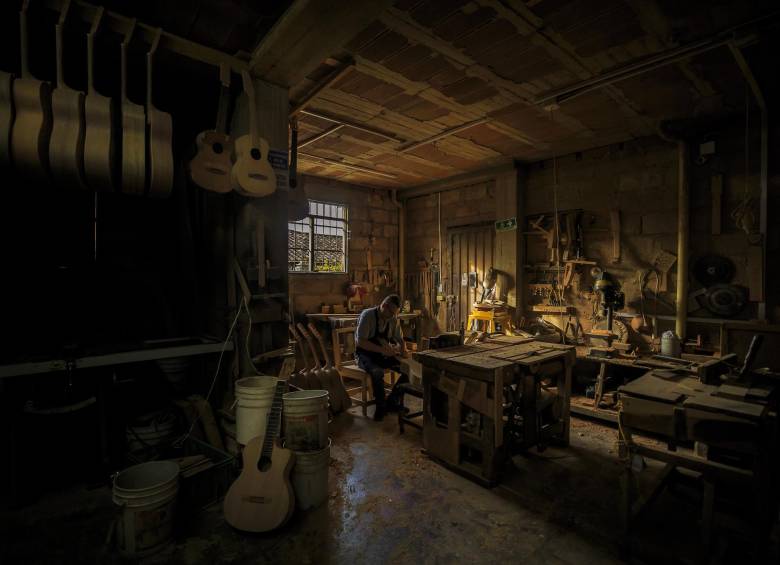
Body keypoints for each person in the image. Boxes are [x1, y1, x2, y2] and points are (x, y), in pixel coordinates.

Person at [354, 294, 409, 421]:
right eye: (391, 313)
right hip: (365, 354)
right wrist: (382, 350)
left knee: (408, 370)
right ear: (384, 306)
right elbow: (360, 342)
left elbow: (400, 339)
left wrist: (403, 349)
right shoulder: (367, 316)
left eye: (395, 313)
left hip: (383, 354)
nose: (392, 316)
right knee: (377, 372)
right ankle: (381, 407)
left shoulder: (393, 319)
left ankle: (391, 402)